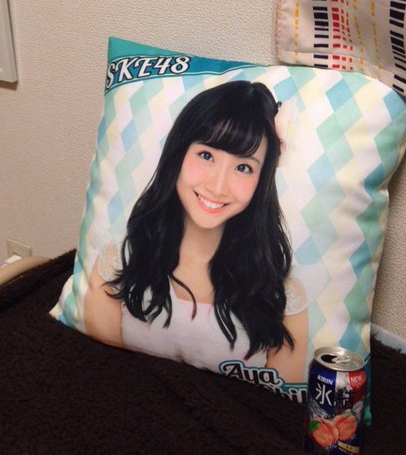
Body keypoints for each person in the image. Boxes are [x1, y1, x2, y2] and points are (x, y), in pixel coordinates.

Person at [84, 80, 309, 384]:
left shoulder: (282, 293)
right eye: (206, 155)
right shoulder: (118, 262)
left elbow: (277, 403)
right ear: (178, 153)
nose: (218, 186)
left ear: (262, 181)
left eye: (243, 167)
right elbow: (97, 374)